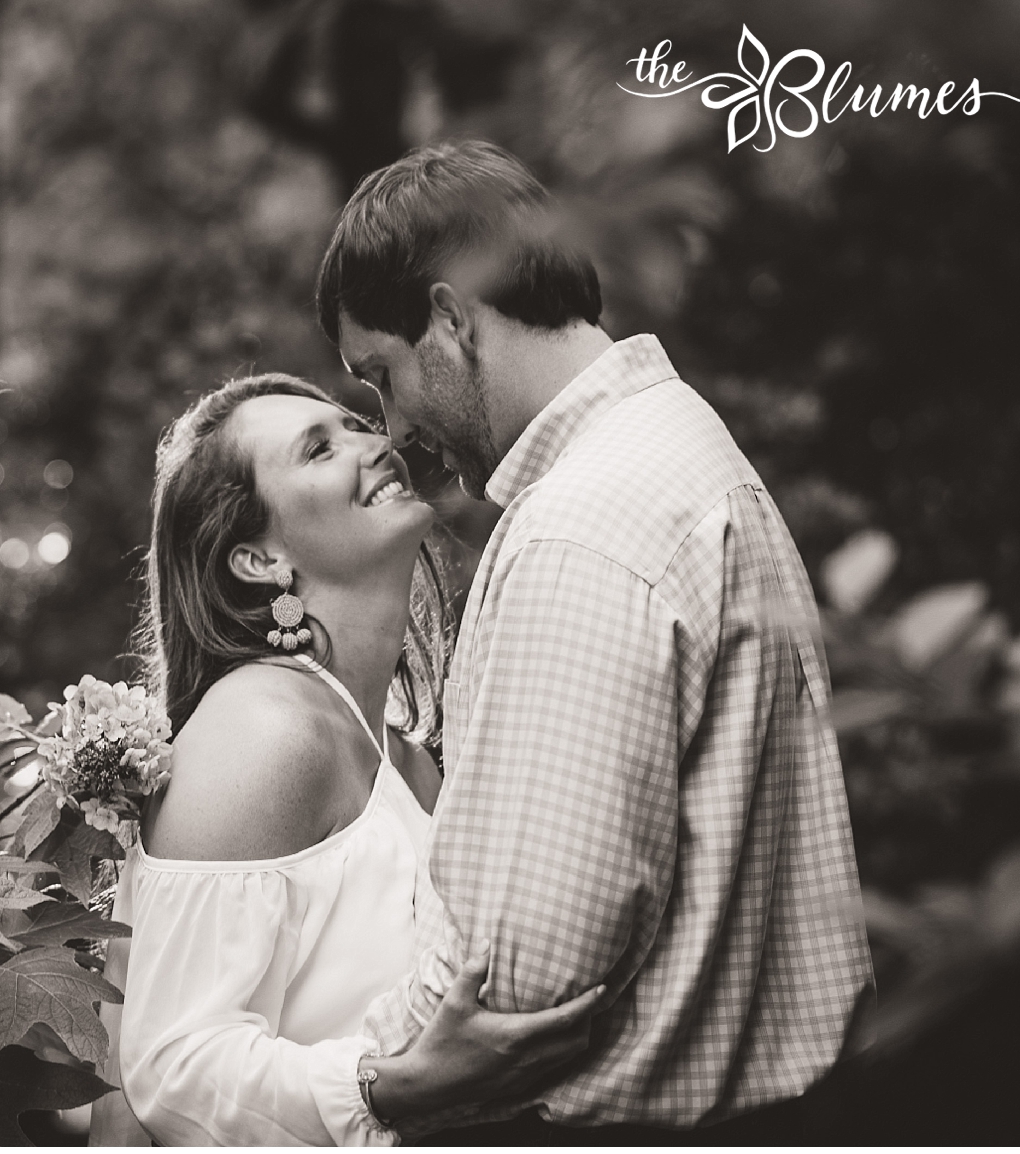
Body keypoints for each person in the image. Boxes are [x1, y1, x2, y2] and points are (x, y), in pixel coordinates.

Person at [313, 140, 874, 1140]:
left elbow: (516, 984)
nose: (389, 428)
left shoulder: (581, 528)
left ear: (448, 318)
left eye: (381, 378)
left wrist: (358, 1090)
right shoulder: (681, 440)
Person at [89, 374, 607, 1146]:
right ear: (258, 560)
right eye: (320, 449)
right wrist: (395, 1087)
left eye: (359, 425)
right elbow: (173, 1065)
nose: (376, 446)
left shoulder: (401, 749)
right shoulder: (262, 730)